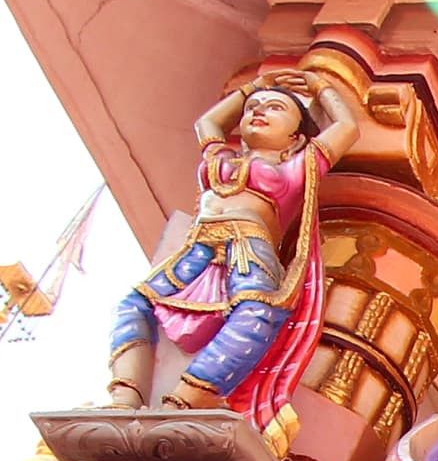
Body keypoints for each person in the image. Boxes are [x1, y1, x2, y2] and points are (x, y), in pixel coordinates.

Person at [106, 68, 354, 427]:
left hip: (249, 251)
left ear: (296, 139)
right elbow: (207, 123)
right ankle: (125, 395)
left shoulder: (297, 167)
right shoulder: (223, 159)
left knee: (257, 314)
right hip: (198, 249)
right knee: (134, 305)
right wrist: (254, 86)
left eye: (274, 108)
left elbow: (347, 129)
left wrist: (322, 88)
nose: (258, 111)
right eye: (253, 107)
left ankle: (185, 400)